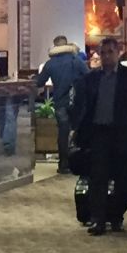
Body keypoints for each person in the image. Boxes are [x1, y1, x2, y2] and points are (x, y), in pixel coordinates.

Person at [70, 36, 127, 236]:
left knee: (122, 179)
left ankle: (116, 217)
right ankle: (98, 219)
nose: (105, 57)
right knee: (98, 178)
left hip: (122, 134)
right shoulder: (90, 78)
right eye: (102, 53)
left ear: (118, 52)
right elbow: (83, 108)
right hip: (98, 134)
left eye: (109, 53)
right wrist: (76, 131)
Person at [34, 36, 86, 173]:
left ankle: (63, 165)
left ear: (55, 46)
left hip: (60, 102)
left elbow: (39, 82)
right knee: (77, 131)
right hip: (76, 102)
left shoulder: (50, 63)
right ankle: (79, 161)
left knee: (63, 133)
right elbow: (88, 76)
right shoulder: (76, 60)